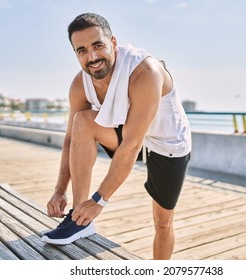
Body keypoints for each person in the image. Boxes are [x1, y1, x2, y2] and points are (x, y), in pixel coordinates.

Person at [41, 12, 191, 260]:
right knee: (82, 122)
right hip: (130, 134)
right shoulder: (80, 84)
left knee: (163, 222)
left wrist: (99, 200)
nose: (92, 57)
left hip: (168, 145)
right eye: (82, 50)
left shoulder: (145, 72)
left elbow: (131, 146)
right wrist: (59, 190)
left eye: (98, 45)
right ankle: (80, 220)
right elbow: (71, 138)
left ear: (113, 43)